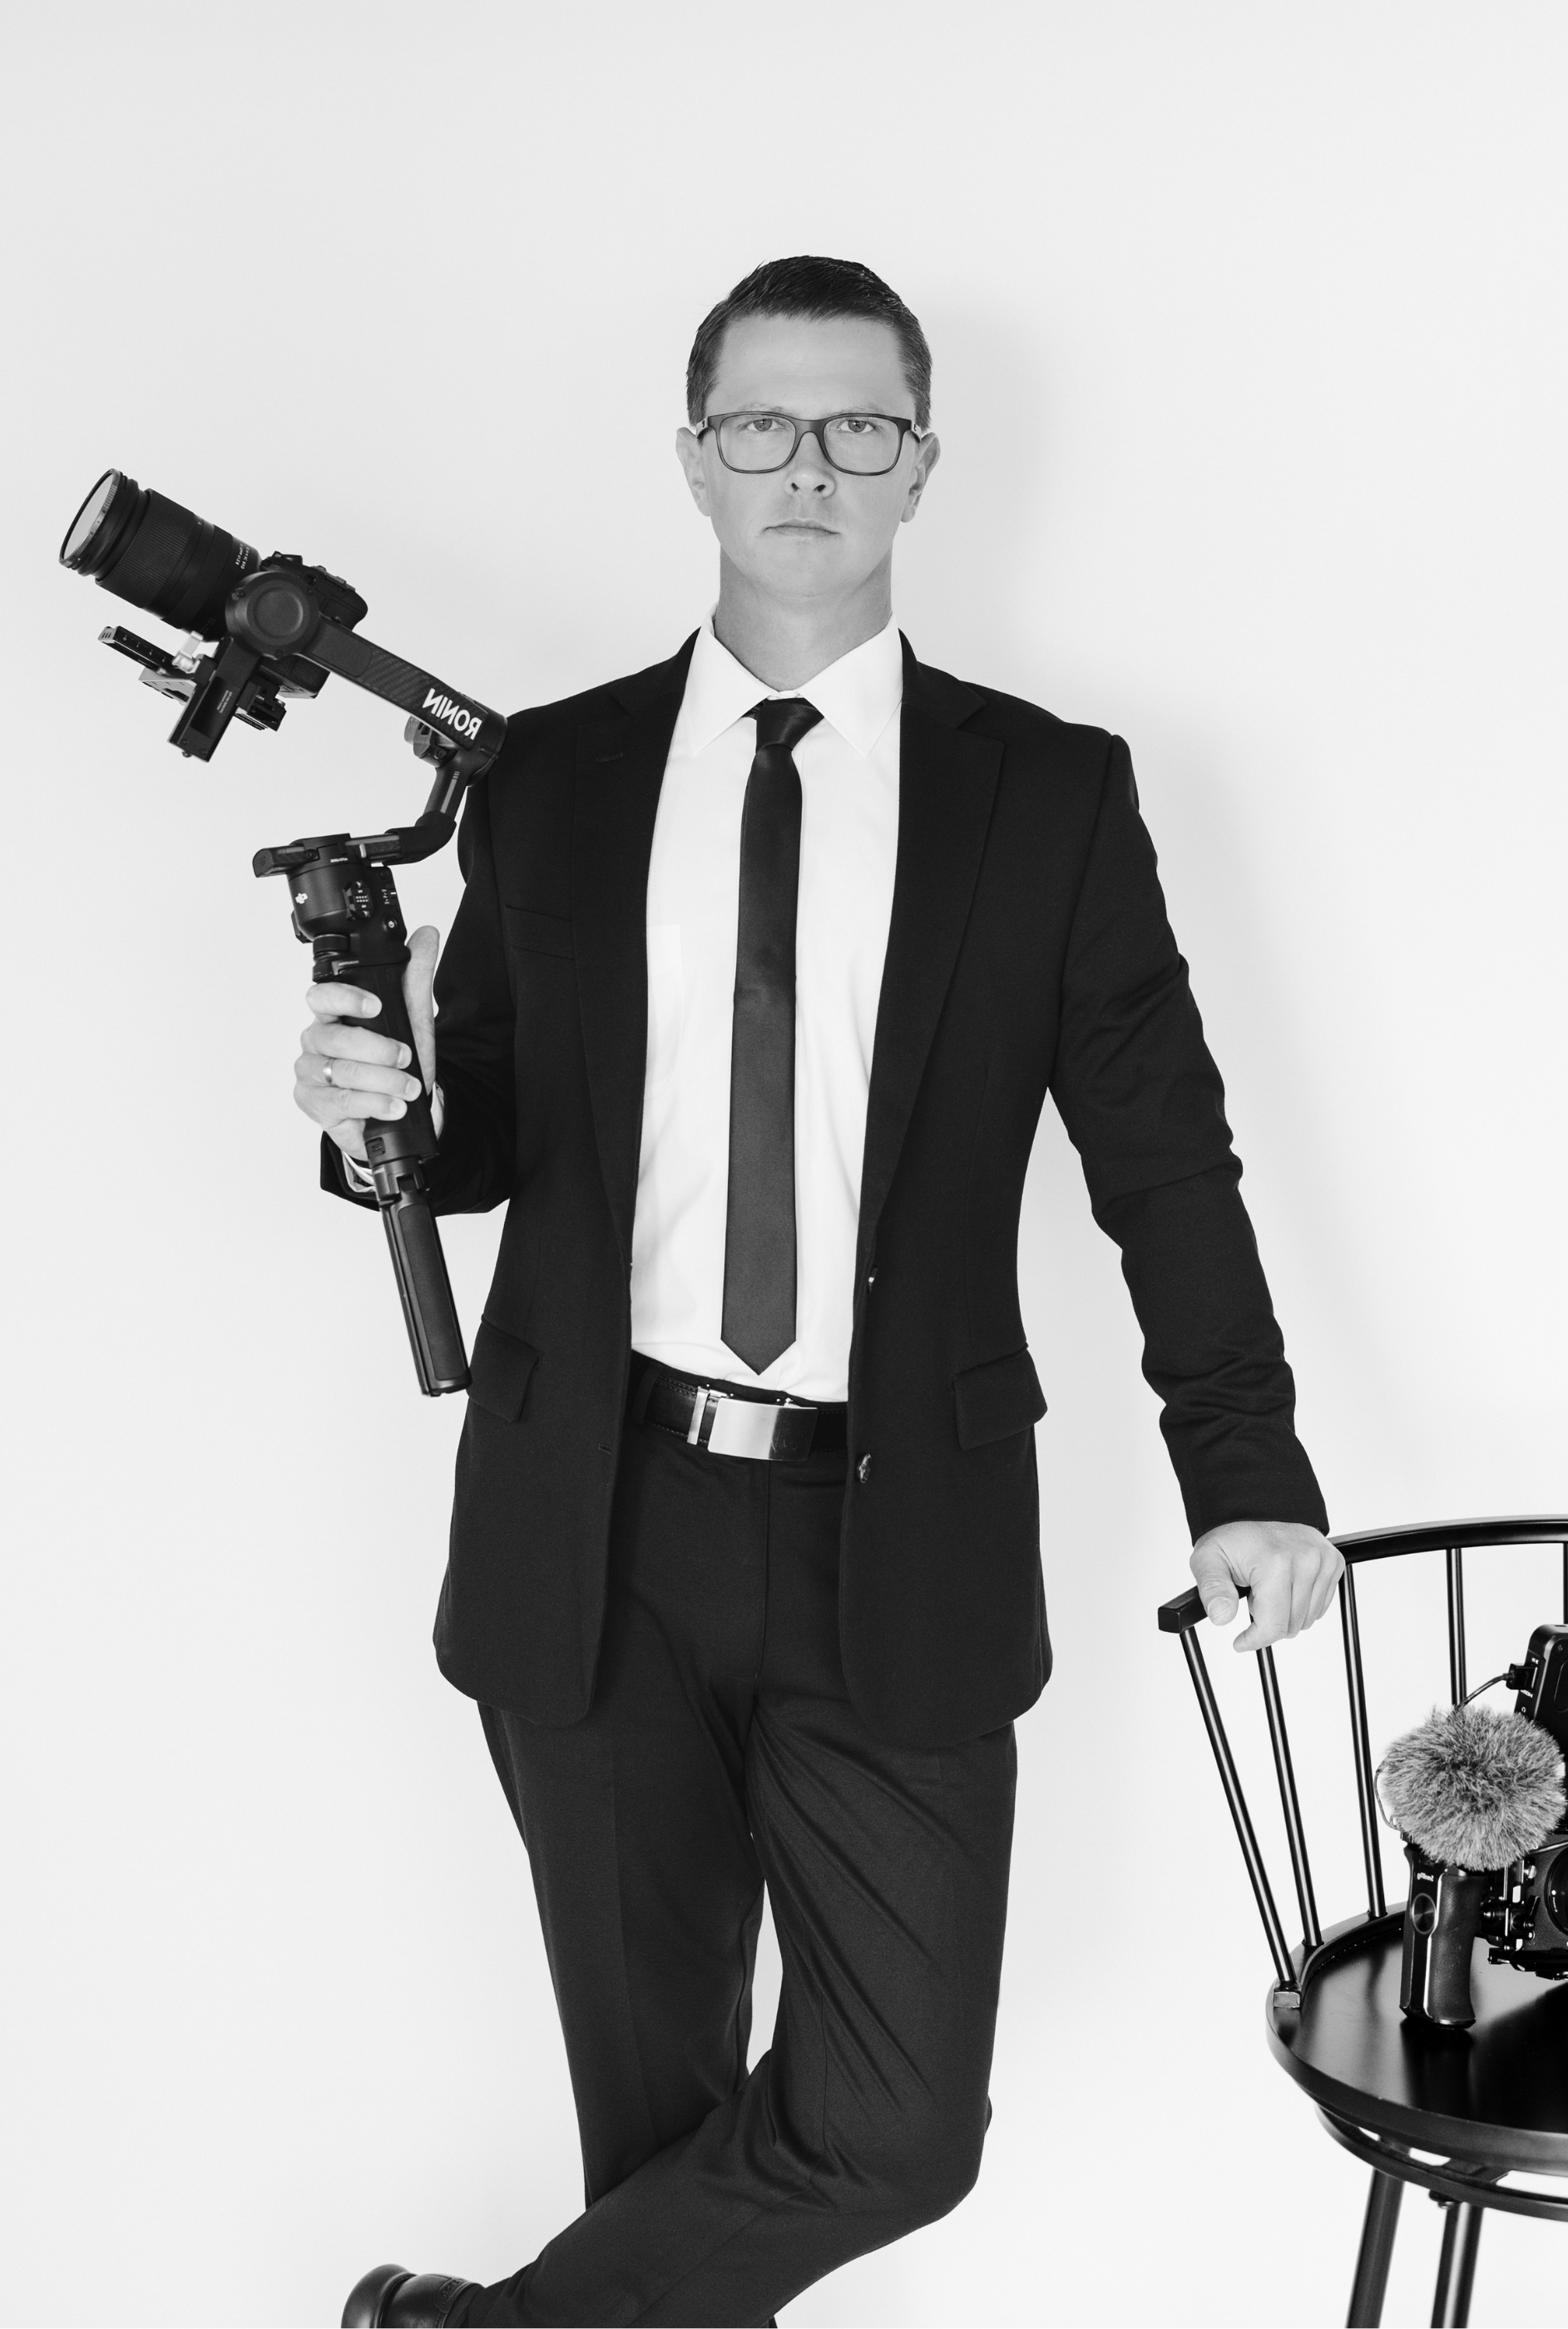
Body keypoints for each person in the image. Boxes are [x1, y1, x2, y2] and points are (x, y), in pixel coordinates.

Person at [297, 255, 1345, 2329]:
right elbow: (483, 1138)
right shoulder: (556, 782)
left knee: (892, 2128)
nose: (808, 465)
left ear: (922, 463)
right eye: (760, 424)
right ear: (694, 460)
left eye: (858, 424)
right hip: (598, 1514)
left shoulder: (1045, 794)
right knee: (661, 2122)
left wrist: (1250, 1464)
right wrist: (368, 1109)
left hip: (904, 1524)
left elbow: (1165, 1158)